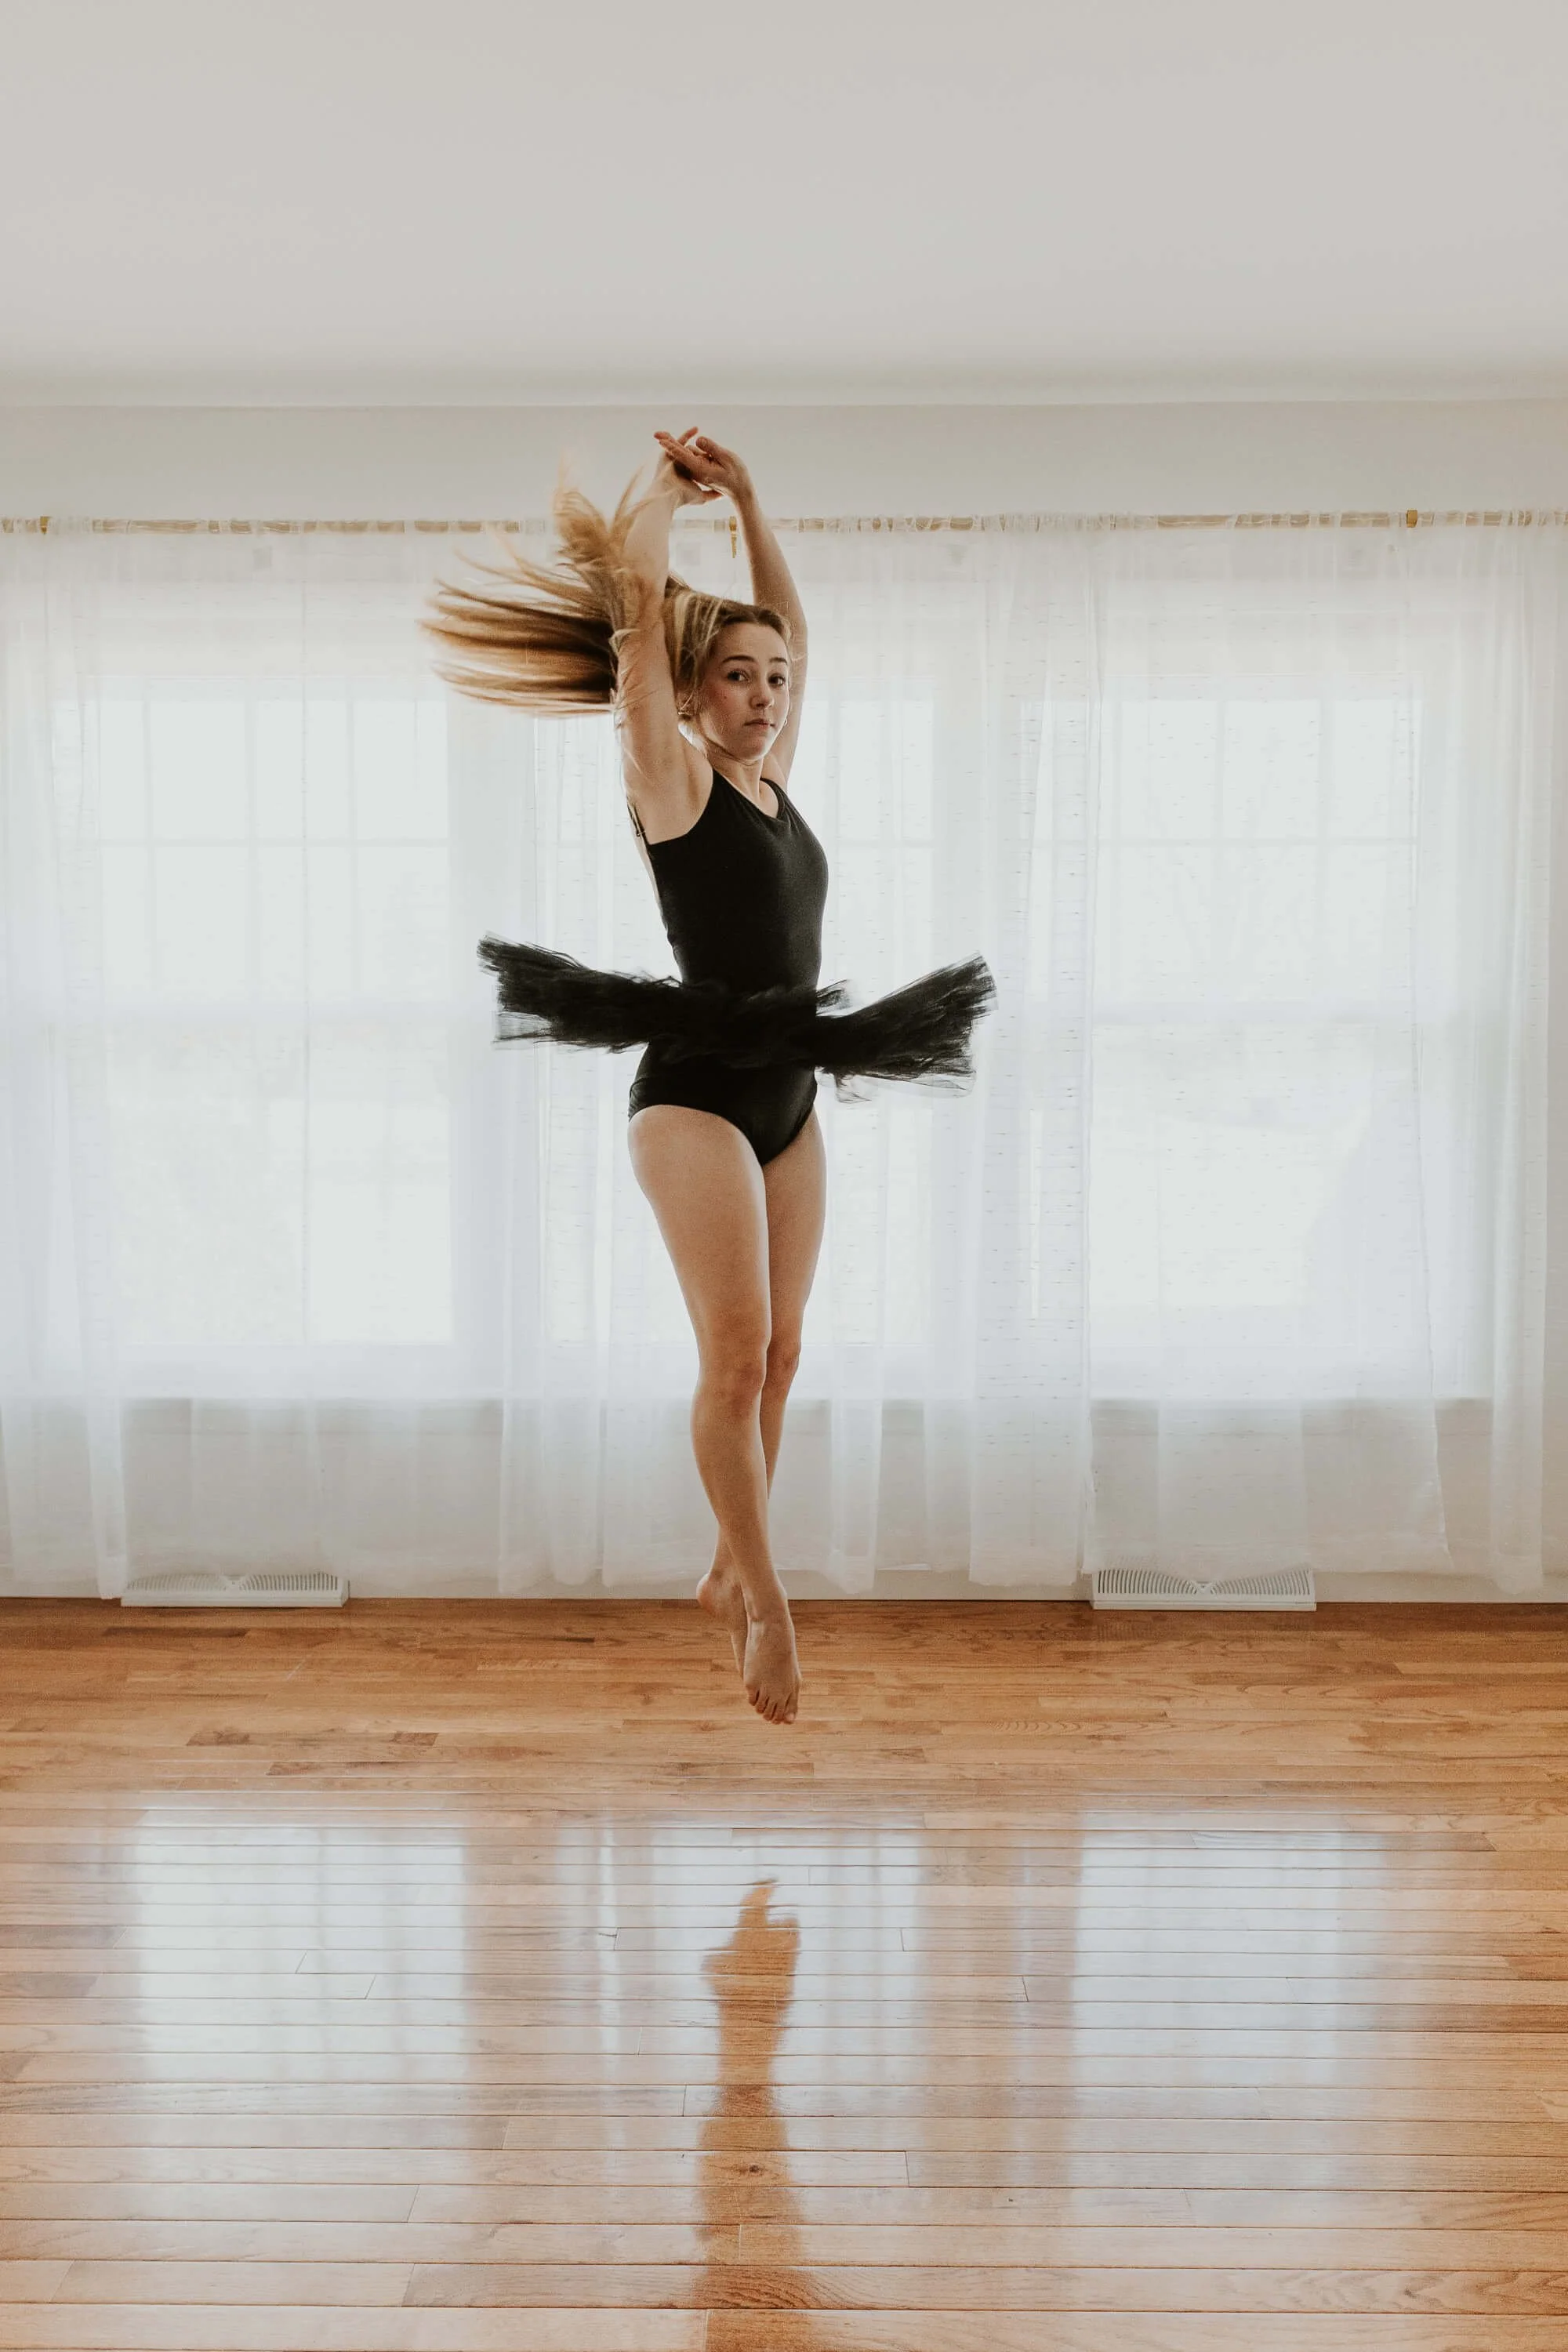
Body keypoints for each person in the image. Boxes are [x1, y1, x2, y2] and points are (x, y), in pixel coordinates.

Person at [424, 430, 992, 1726]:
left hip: (791, 1086)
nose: (766, 691)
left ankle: (729, 1568)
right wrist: (661, 524)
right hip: (692, 1098)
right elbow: (637, 637)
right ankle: (768, 1605)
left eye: (775, 680)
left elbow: (794, 621)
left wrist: (752, 500)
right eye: (737, 676)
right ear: (691, 695)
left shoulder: (777, 786)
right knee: (733, 1358)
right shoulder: (673, 785)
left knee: (785, 1355)